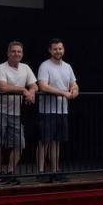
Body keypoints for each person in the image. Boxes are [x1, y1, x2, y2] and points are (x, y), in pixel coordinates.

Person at [0, 41, 37, 184]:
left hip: (15, 111)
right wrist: (23, 90)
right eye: (14, 51)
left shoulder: (25, 68)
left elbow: (34, 85)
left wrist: (32, 93)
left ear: (22, 54)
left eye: (19, 52)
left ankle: (10, 172)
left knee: (19, 143)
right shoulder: (0, 68)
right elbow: (3, 87)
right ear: (8, 53)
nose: (16, 54)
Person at [37, 38, 78, 182]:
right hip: (47, 110)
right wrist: (63, 93)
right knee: (44, 141)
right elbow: (43, 86)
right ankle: (41, 172)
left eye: (60, 48)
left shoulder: (68, 67)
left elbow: (74, 84)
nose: (58, 51)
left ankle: (55, 170)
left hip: (62, 110)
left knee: (56, 142)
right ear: (50, 50)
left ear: (63, 49)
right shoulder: (45, 66)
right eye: (55, 49)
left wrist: (74, 90)